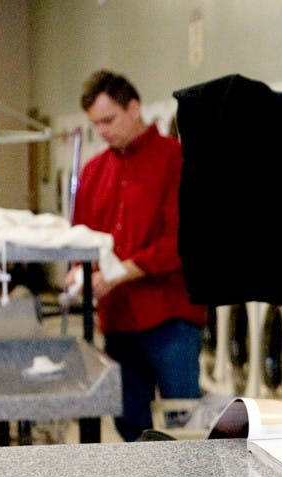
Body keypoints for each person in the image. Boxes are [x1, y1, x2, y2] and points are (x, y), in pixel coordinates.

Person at [68, 70, 206, 442]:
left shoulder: (175, 161)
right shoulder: (94, 172)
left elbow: (181, 239)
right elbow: (81, 238)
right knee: (129, 422)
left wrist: (120, 272)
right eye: (96, 125)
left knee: (185, 420)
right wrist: (80, 275)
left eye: (109, 120)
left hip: (169, 317)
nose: (104, 132)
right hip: (118, 320)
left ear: (134, 108)